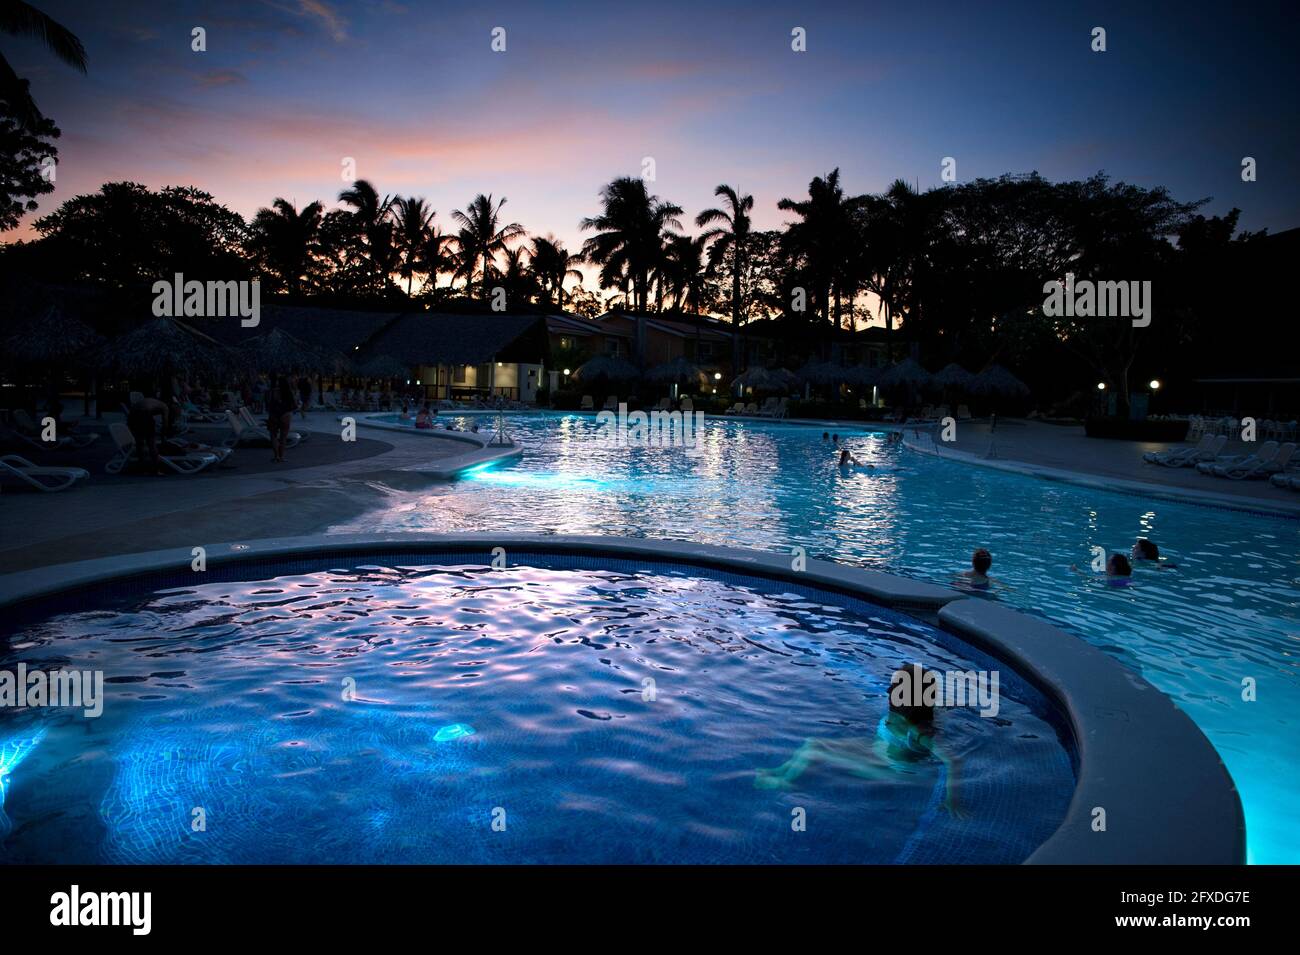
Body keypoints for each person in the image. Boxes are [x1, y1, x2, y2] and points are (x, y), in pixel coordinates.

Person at [754, 663, 965, 818]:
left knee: (814, 751)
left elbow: (952, 760)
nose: (889, 690)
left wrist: (950, 800)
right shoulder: (903, 714)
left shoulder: (918, 732)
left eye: (895, 686)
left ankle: (785, 783)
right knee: (812, 742)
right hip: (876, 752)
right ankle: (779, 772)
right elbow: (941, 706)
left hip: (891, 770)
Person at [126, 396, 173, 474]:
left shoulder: (154, 402)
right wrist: (163, 436)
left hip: (132, 413)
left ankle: (141, 465)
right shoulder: (165, 407)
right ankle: (156, 468)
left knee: (139, 442)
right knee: (151, 442)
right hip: (144, 413)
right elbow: (165, 423)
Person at [265, 376, 296, 462]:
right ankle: (281, 456)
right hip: (285, 416)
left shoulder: (273, 392)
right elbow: (293, 406)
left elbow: (268, 405)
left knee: (273, 436)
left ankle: (276, 456)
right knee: (283, 437)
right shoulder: (289, 392)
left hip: (274, 415)